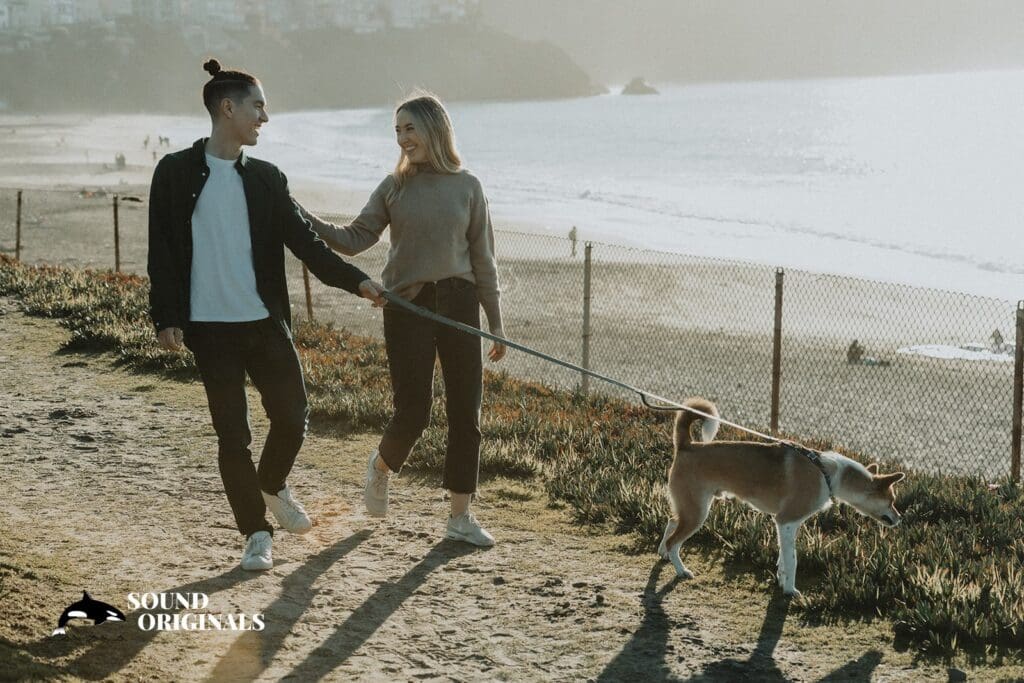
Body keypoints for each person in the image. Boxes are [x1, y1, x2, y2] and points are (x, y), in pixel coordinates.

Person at [146, 58, 386, 572]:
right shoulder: (173, 173)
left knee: (293, 417)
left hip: (263, 323)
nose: (265, 118)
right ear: (227, 108)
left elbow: (307, 245)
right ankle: (255, 533)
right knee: (232, 436)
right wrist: (165, 316)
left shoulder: (268, 180)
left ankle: (272, 483)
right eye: (258, 107)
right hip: (209, 329)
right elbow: (161, 252)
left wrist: (358, 282)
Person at [305, 92, 506, 547]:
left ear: (435, 129)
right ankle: (380, 468)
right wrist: (299, 215)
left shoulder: (468, 186)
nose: (402, 138)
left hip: (459, 305)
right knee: (413, 411)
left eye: (409, 128)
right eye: (397, 130)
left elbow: (484, 260)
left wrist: (495, 323)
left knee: (465, 414)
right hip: (407, 308)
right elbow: (354, 239)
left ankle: (460, 516)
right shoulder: (393, 186)